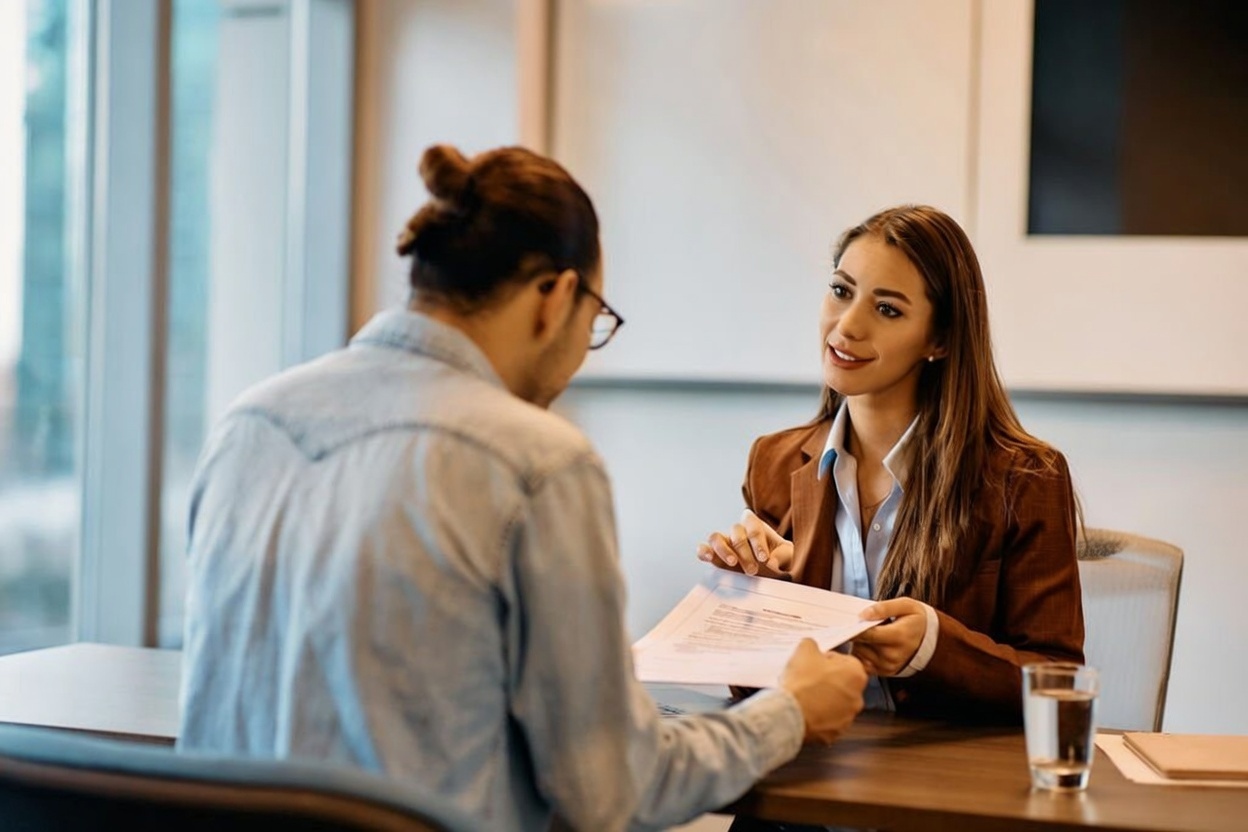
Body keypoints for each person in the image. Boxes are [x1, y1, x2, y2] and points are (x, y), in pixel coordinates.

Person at [178, 143, 868, 832]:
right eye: (595, 323)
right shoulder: (537, 463)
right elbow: (613, 789)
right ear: (556, 296)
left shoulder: (250, 425)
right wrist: (790, 712)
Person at [698, 204, 1084, 723]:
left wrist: (935, 648)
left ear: (939, 339)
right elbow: (751, 691)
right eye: (841, 291)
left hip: (939, 769)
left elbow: (1059, 684)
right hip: (810, 758)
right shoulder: (774, 461)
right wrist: (754, 597)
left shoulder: (1024, 478)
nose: (847, 325)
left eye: (887, 309)